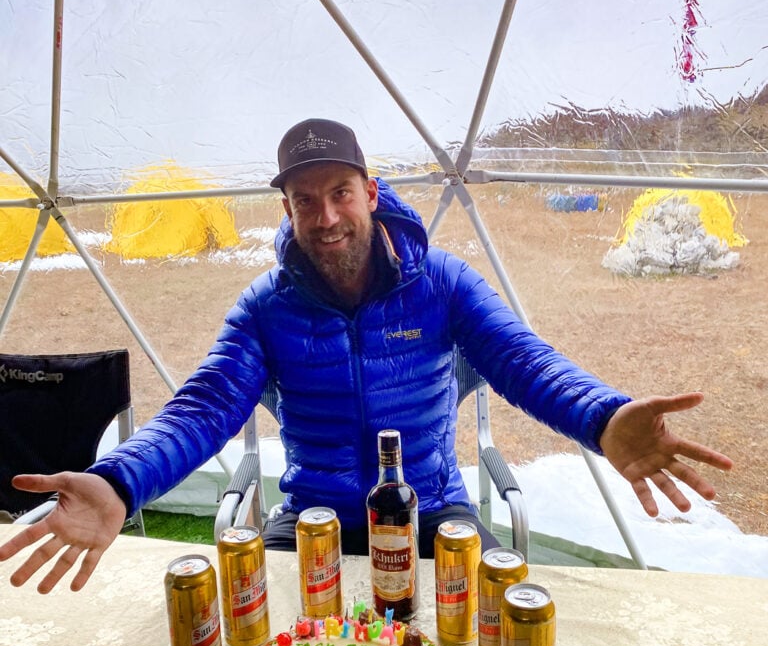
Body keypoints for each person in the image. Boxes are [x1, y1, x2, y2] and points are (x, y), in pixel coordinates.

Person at [0, 118, 733, 594]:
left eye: (340, 193)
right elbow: (205, 407)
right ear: (285, 209)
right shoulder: (266, 306)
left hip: (432, 510)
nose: (325, 218)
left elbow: (521, 360)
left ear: (370, 193)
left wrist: (603, 419)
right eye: (304, 200)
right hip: (314, 516)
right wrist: (120, 480)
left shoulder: (441, 283)